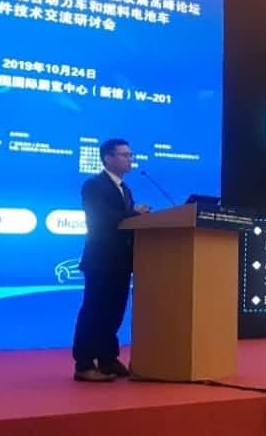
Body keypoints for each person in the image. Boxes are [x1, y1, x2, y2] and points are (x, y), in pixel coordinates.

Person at [72, 138, 150, 382]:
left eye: (130, 154)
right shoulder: (93, 185)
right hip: (101, 258)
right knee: (94, 310)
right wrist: (134, 213)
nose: (130, 159)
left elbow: (125, 220)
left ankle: (107, 359)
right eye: (124, 155)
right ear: (108, 158)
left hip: (121, 260)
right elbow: (102, 218)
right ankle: (84, 363)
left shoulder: (125, 188)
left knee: (114, 312)